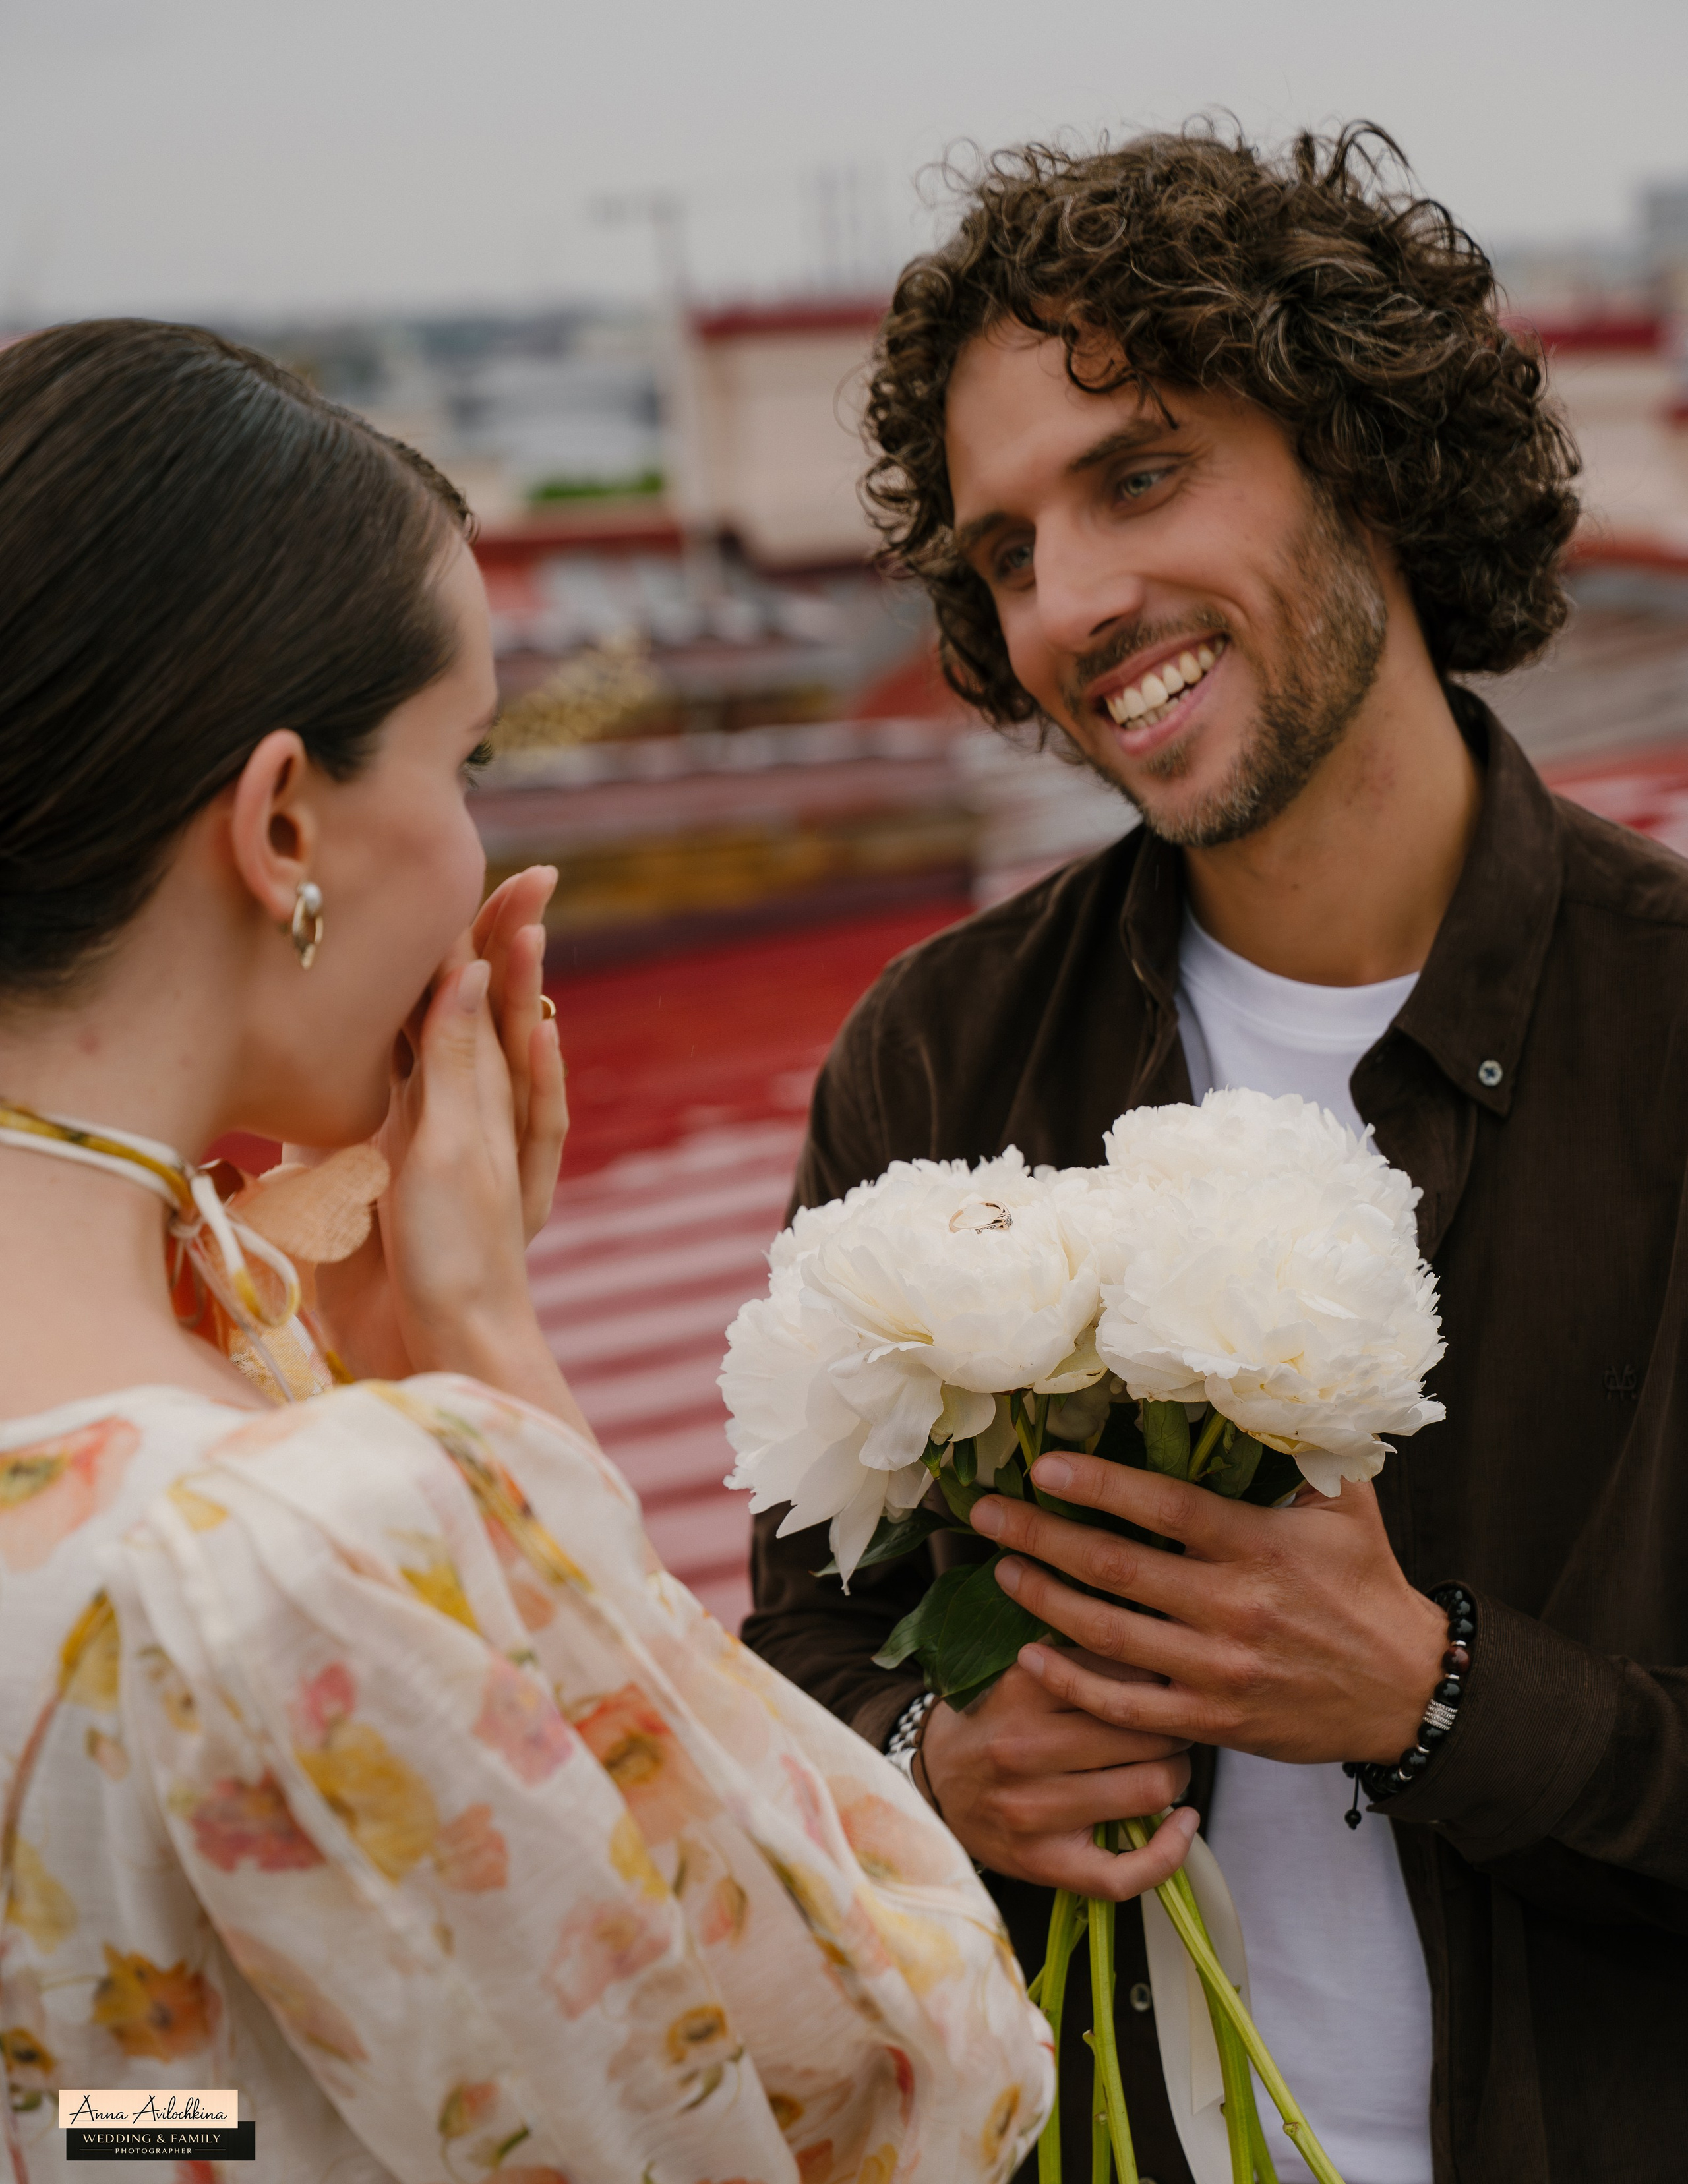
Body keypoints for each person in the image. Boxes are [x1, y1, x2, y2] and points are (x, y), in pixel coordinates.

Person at [0, 320, 1054, 2183]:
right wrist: (481, 1361)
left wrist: (239, 2126)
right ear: (283, 821)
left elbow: (76, 2106)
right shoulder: (291, 1552)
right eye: (468, 752)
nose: (481, 833)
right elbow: (900, 2076)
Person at [742, 123, 1688, 2184]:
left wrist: (1436, 1696)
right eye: (1003, 552)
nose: (1069, 603)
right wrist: (939, 1756)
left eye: (1141, 474)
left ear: (1364, 455)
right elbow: (802, 1644)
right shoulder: (939, 1052)